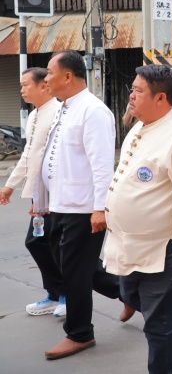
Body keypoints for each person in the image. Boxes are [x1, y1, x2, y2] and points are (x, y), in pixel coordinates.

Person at [102, 65, 172, 373]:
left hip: (164, 250)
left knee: (159, 325)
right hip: (128, 244)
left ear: (160, 98)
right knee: (130, 296)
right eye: (131, 89)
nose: (130, 96)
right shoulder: (140, 126)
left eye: (138, 91)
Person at [37, 51, 116, 360]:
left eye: (50, 72)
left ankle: (80, 333)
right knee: (75, 267)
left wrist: (100, 208)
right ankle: (129, 292)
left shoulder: (93, 111)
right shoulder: (65, 107)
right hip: (61, 204)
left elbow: (102, 165)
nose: (46, 78)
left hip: (82, 209)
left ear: (68, 76)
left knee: (74, 273)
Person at [0, 68, 62, 316]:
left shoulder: (58, 112)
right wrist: (9, 185)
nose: (22, 90)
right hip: (41, 193)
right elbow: (29, 155)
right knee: (39, 242)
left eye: (26, 85)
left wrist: (44, 197)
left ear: (43, 86)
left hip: (55, 194)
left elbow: (55, 160)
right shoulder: (35, 114)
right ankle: (56, 294)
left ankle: (66, 295)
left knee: (51, 245)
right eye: (21, 85)